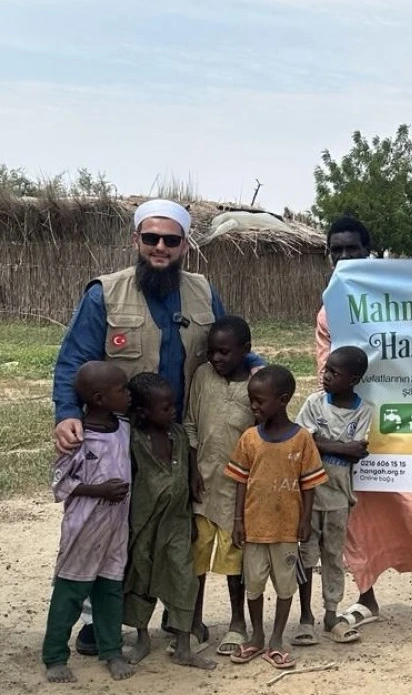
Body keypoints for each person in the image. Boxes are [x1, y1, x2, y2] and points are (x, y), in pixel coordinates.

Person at [51, 198, 262, 656]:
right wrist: (67, 412)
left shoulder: (203, 291)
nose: (160, 247)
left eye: (171, 239)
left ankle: (177, 617)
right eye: (151, 238)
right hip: (119, 436)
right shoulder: (104, 294)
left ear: (185, 244)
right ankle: (97, 619)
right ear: (136, 240)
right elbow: (74, 360)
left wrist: (264, 381)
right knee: (114, 524)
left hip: (183, 435)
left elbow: (230, 347)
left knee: (178, 527)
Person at [315, 216, 412, 643]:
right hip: (353, 428)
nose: (343, 258)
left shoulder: (404, 298)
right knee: (357, 512)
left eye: (351, 249)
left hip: (404, 424)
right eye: (335, 250)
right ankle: (366, 597)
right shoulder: (329, 310)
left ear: (368, 252)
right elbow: (326, 369)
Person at [225, 365, 327, 670]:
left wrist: (305, 519)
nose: (253, 406)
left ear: (283, 400)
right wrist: (238, 521)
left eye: (259, 400)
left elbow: (309, 485)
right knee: (253, 585)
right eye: (251, 400)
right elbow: (241, 481)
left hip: (286, 531)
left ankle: (277, 640)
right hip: (255, 529)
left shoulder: (302, 440)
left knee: (285, 587)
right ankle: (256, 636)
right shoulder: (249, 439)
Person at [42, 362, 135, 683]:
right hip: (84, 528)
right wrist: (99, 490)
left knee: (110, 590)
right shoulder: (78, 436)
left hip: (115, 529)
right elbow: (59, 483)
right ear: (99, 398)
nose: (128, 394)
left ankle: (112, 651)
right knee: (70, 591)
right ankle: (55, 656)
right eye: (121, 390)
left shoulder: (123, 427)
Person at [122, 373, 215, 671]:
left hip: (176, 523)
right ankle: (142, 637)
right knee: (141, 578)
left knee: (183, 579)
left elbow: (188, 476)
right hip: (144, 525)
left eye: (172, 405)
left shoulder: (178, 435)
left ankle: (184, 646)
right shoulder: (133, 440)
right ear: (142, 412)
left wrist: (189, 520)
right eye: (164, 408)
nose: (172, 410)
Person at [185, 317, 256, 656]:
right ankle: (194, 622)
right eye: (212, 352)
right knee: (197, 553)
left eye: (225, 352)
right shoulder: (201, 376)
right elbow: (190, 423)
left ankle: (237, 622)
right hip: (204, 481)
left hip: (237, 489)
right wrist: (192, 466)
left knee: (234, 559)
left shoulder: (256, 387)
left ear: (246, 350)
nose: (217, 358)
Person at [292, 346, 373, 645]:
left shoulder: (364, 411)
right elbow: (304, 441)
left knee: (333, 557)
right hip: (310, 495)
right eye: (326, 370)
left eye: (334, 373)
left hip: (339, 497)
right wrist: (339, 446)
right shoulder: (314, 403)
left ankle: (331, 614)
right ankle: (304, 618)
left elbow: (357, 452)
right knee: (306, 554)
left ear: (353, 379)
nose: (325, 376)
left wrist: (323, 443)